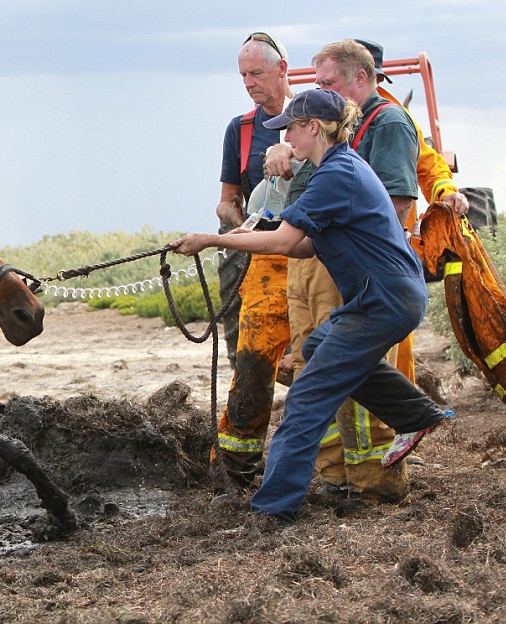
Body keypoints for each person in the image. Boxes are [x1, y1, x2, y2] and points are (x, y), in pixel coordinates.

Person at [171, 88, 450, 522]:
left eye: (291, 130)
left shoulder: (336, 174)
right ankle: (418, 414)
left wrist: (211, 239)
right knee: (319, 349)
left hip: (384, 298)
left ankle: (272, 510)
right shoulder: (333, 171)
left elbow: (283, 240)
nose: (285, 140)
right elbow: (300, 248)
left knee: (305, 398)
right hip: (379, 295)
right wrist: (230, 238)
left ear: (313, 128)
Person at [282, 39, 465, 504]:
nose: (324, 91)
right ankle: (350, 463)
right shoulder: (341, 137)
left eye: (329, 83)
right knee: (318, 354)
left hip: (369, 275)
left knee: (337, 377)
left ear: (360, 79)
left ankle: (374, 482)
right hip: (333, 263)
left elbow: (400, 199)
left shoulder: (388, 122)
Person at [212, 32, 294, 492]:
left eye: (256, 73)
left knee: (312, 354)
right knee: (247, 359)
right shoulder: (240, 130)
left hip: (305, 253)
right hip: (254, 253)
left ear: (283, 69)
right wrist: (239, 225)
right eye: (243, 75)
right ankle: (238, 468)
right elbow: (226, 200)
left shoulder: (316, 116)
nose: (249, 83)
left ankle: (318, 457)